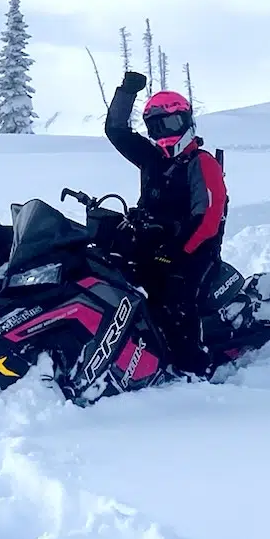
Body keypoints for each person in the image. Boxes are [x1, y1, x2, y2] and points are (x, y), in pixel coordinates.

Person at [104, 71, 229, 376]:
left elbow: (209, 217)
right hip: (153, 243)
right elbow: (116, 131)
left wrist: (177, 251)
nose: (163, 134)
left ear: (186, 121)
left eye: (170, 124)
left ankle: (192, 366)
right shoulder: (152, 159)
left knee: (174, 297)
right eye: (155, 127)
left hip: (193, 250)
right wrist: (126, 93)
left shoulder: (201, 163)